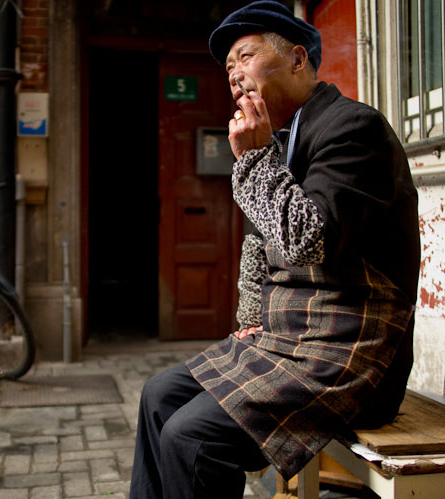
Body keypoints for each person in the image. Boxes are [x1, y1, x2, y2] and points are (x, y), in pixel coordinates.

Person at [128, 2, 420, 498]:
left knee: (192, 435)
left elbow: (308, 241)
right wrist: (250, 316)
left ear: (298, 59)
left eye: (245, 57)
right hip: (287, 343)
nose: (236, 75)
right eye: (229, 69)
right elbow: (261, 243)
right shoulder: (285, 139)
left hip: (349, 354)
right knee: (158, 395)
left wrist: (255, 159)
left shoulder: (353, 129)